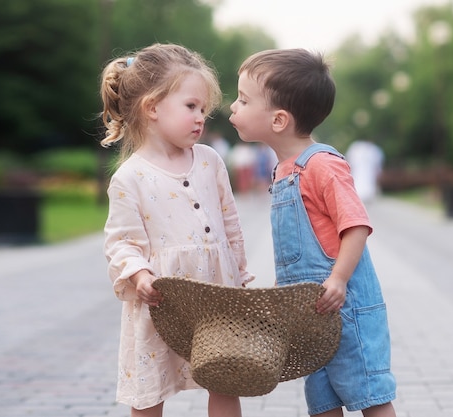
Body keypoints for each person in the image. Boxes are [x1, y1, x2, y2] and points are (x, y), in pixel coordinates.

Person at [229, 48, 397, 417]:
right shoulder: (282, 170)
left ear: (278, 120)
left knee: (369, 393)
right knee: (321, 400)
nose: (232, 107)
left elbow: (356, 225)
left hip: (345, 305)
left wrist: (338, 279)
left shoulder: (322, 165)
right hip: (309, 313)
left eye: (243, 99)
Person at [100, 43, 254, 417]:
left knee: (223, 378)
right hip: (162, 301)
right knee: (151, 388)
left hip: (216, 295)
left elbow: (230, 223)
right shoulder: (130, 178)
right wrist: (138, 275)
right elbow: (121, 242)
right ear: (152, 108)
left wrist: (240, 273)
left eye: (203, 109)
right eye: (190, 107)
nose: (200, 117)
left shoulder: (210, 161)